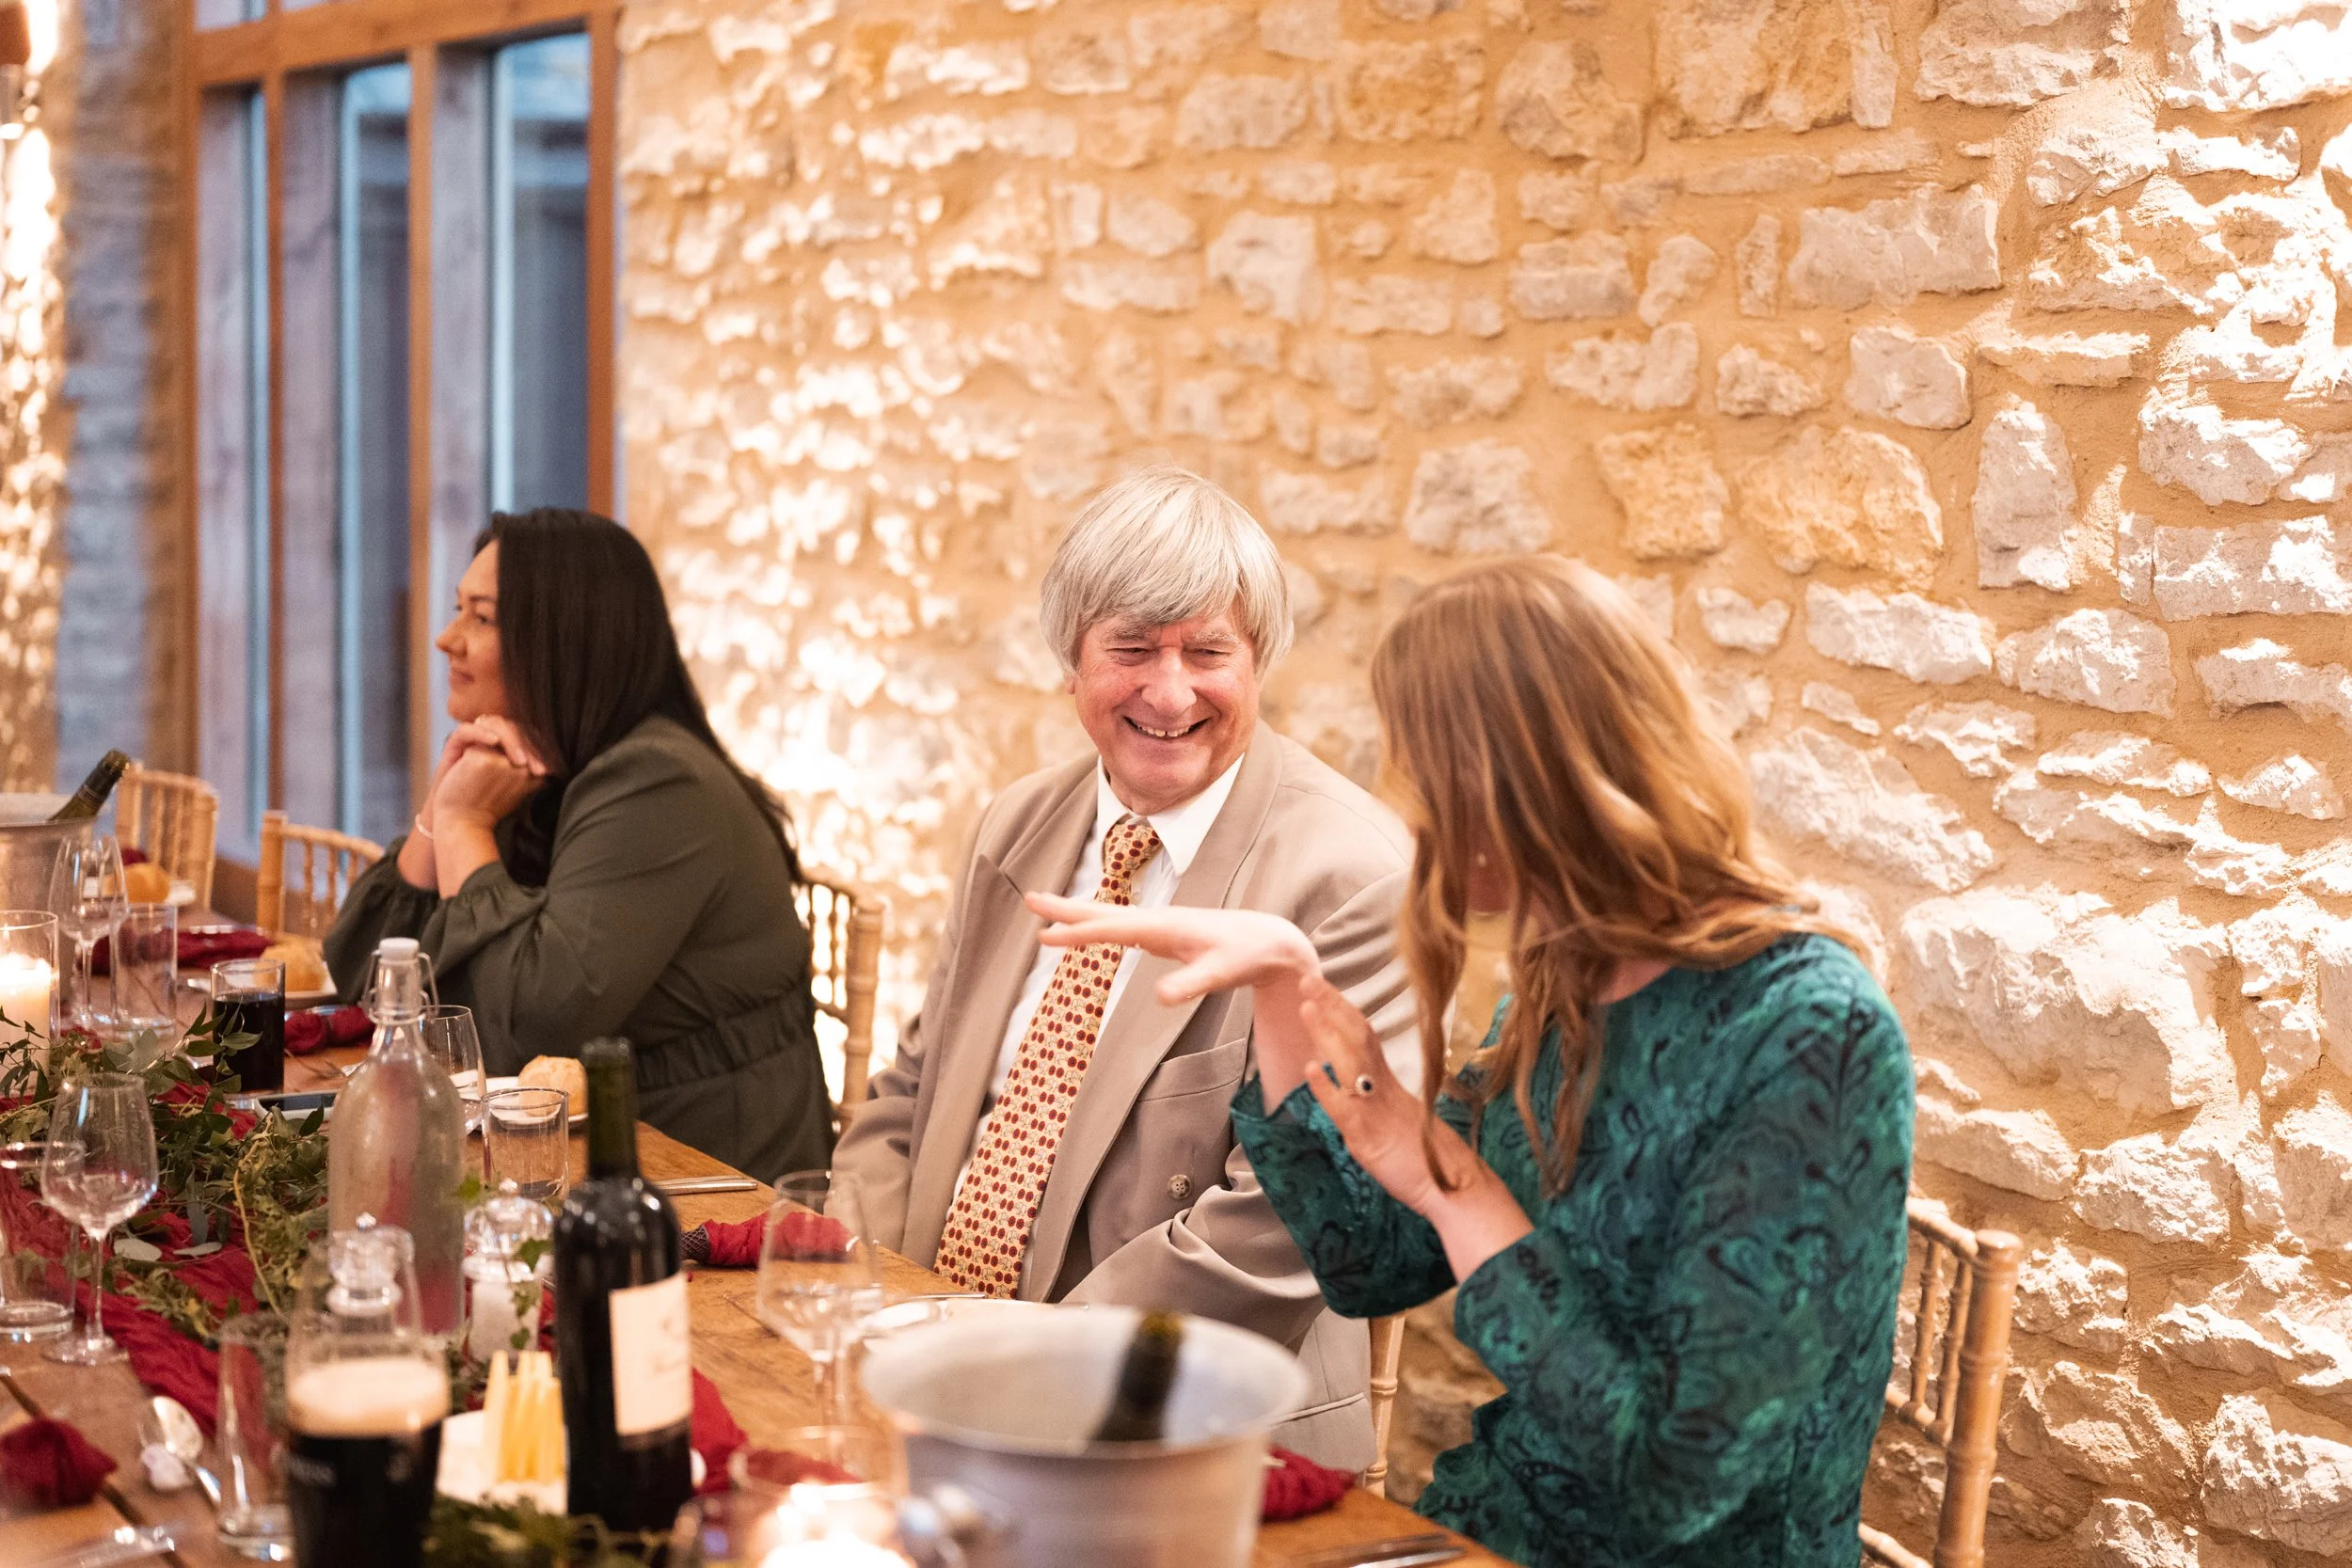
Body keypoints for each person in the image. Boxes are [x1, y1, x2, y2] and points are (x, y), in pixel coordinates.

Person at [1030, 556, 1915, 1568]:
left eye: (1428, 768)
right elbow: (1372, 1261)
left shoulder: (1808, 1030)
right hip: (1487, 1524)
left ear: (1532, 774)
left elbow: (1676, 1482)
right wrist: (1282, 988)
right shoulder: (1565, 973)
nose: (1417, 814)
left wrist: (1463, 1200)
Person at [831, 467, 1415, 1469]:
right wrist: (862, 1288)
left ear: (1258, 659)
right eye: (1133, 649)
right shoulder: (1016, 823)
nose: (1170, 690)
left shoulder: (1349, 874)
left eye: (1208, 651)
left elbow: (1286, 1226)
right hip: (922, 1379)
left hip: (1189, 1434)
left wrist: (1012, 1359)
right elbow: (910, 1095)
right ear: (1072, 661)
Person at [325, 508, 831, 1181]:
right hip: (582, 1158)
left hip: (707, 1184)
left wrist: (465, 826)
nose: (447, 639)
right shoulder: (536, 765)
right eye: (458, 611)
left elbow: (526, 1030)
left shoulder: (658, 782)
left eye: (481, 617)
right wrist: (441, 807)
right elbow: (365, 985)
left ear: (562, 638)